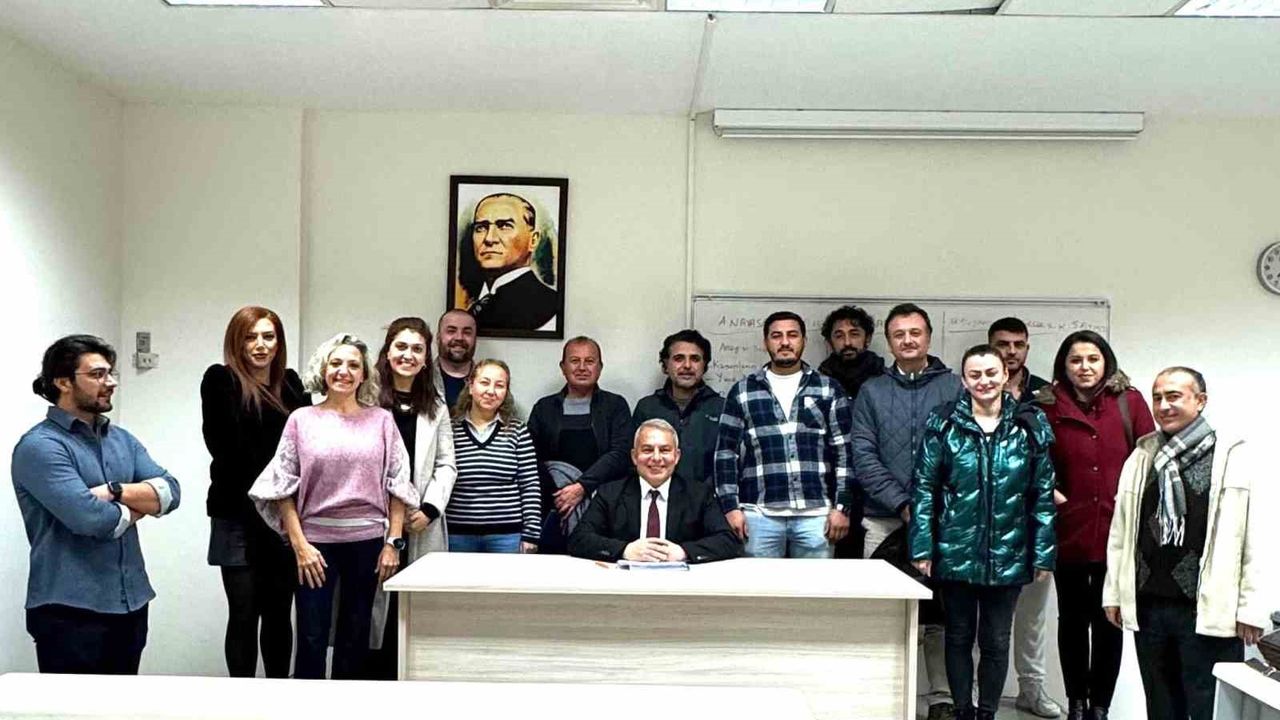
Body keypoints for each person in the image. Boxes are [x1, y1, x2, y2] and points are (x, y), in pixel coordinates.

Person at [1102, 368, 1269, 720]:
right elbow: (1121, 533)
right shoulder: (1142, 456)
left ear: (1200, 401)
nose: (1164, 405)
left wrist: (1250, 608)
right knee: (1161, 708)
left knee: (1210, 708)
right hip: (1150, 607)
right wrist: (1114, 593)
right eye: (1158, 397)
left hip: (1208, 610)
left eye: (1174, 396)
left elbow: (1253, 537)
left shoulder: (1231, 454)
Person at [249, 333, 416, 680]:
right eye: (336, 363)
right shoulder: (301, 420)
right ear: (323, 370)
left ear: (364, 374)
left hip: (368, 544)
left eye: (353, 365)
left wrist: (393, 543)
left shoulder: (382, 421)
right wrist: (300, 546)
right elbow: (282, 487)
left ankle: (348, 706)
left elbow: (398, 483)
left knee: (355, 637)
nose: (344, 371)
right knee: (311, 636)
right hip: (315, 547)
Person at [13, 334, 181, 674]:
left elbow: (170, 493)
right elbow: (93, 520)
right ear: (63, 382)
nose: (111, 382)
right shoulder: (41, 446)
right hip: (69, 612)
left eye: (110, 373)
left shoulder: (122, 440)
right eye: (98, 374)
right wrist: (139, 504)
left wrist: (114, 491)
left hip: (131, 603)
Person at [910, 344, 1057, 720]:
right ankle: (963, 711)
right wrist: (923, 548)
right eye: (975, 375)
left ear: (1005, 375)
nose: (984, 381)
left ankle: (987, 713)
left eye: (991, 373)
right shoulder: (943, 423)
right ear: (964, 380)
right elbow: (924, 488)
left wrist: (1043, 553)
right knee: (958, 636)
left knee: (996, 640)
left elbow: (1042, 494)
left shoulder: (1029, 425)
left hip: (1010, 552)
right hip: (955, 550)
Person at [1034, 330, 1154, 720]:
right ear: (1063, 366)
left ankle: (1100, 706)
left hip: (1118, 532)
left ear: (1106, 362)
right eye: (1075, 360)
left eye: (1092, 359)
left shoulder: (1129, 402)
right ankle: (1076, 703)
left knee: (1109, 621)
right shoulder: (1047, 406)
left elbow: (1150, 460)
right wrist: (1050, 493)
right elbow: (1033, 463)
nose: (1084, 367)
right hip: (1068, 530)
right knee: (1071, 621)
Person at [851, 302, 961, 720]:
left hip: (945, 523)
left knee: (942, 614)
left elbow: (965, 452)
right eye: (899, 334)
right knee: (886, 612)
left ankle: (942, 698)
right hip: (884, 520)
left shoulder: (954, 387)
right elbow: (863, 455)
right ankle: (886, 697)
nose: (908, 340)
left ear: (928, 337)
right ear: (889, 341)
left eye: (915, 333)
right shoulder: (872, 391)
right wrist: (903, 503)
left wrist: (931, 507)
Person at [201, 306, 310, 678]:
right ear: (237, 342)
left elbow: (305, 448)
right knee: (244, 614)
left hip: (282, 517)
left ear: (279, 343)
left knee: (279, 614)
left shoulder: (291, 384)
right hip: (236, 514)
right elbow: (225, 447)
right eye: (250, 337)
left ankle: (278, 696)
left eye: (268, 337)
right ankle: (241, 700)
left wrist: (283, 499)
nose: (260, 345)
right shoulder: (221, 380)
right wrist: (276, 485)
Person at [713, 311, 855, 559]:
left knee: (815, 585)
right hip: (759, 515)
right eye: (776, 336)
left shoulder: (828, 388)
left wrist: (842, 507)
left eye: (792, 335)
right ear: (766, 342)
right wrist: (730, 507)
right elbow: (725, 453)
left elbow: (844, 452)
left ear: (803, 341)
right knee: (758, 585)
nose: (785, 342)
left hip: (816, 516)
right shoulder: (743, 391)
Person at [364, 317, 457, 680]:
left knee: (413, 611)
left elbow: (447, 464)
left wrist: (431, 509)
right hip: (373, 520)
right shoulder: (366, 399)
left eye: (417, 349)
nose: (408, 355)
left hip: (420, 523)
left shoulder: (436, 405)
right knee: (371, 612)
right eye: (401, 347)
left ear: (425, 358)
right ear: (387, 352)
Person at [986, 316, 1058, 718]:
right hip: (981, 524)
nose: (1011, 352)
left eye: (1018, 344)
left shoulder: (1047, 394)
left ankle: (1032, 688)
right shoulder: (974, 390)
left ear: (1027, 348)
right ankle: (978, 694)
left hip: (1031, 522)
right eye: (1003, 344)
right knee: (982, 618)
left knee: (1032, 615)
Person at [569, 419, 741, 564]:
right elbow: (579, 539)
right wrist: (625, 550)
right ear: (634, 456)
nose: (656, 458)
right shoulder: (610, 493)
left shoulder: (699, 494)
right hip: (625, 583)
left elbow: (728, 541)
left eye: (665, 450)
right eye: (647, 450)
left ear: (677, 456)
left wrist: (684, 552)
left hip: (680, 584)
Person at [528, 336, 632, 554]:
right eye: (575, 361)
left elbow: (621, 454)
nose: (582, 367)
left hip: (604, 505)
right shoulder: (544, 408)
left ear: (600, 367)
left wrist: (582, 487)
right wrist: (560, 494)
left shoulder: (615, 405)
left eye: (590, 361)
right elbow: (530, 458)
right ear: (563, 367)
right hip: (555, 505)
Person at [447, 359, 540, 553]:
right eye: (484, 383)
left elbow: (530, 485)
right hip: (457, 534)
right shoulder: (450, 429)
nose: (491, 391)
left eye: (499, 385)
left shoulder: (518, 431)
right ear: (470, 386)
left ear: (506, 392)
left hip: (507, 536)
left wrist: (531, 534)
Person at [816, 305, 883, 560]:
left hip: (876, 494)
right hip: (829, 492)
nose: (847, 342)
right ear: (829, 342)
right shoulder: (818, 385)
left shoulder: (884, 382)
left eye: (854, 334)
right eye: (839, 335)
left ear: (867, 339)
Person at [631, 329, 724, 486]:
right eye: (679, 358)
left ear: (705, 366)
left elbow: (728, 463)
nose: (687, 365)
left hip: (708, 498)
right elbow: (635, 463)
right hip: (657, 496)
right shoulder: (647, 408)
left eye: (695, 359)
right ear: (665, 366)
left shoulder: (722, 408)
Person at [461, 193, 558, 332]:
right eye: (481, 228)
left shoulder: (547, 303)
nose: (489, 238)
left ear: (533, 240)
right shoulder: (478, 302)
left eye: (505, 226)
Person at [433, 309, 477, 412]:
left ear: (475, 339)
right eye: (451, 331)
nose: (459, 338)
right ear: (438, 338)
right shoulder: (420, 379)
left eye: (467, 332)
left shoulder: (490, 384)